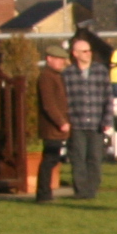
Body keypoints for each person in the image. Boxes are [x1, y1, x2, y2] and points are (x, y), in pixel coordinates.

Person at [62, 35, 112, 199]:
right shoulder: (68, 74)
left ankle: (91, 190)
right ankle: (81, 191)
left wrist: (107, 120)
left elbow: (108, 97)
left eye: (89, 51)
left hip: (97, 123)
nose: (88, 53)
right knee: (78, 159)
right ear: (75, 53)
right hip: (76, 123)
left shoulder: (100, 71)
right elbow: (64, 100)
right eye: (84, 51)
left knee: (95, 158)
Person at [33, 47, 72, 202]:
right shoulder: (46, 77)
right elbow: (48, 104)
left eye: (62, 59)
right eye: (58, 59)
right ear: (49, 59)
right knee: (49, 159)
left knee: (52, 159)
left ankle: (45, 193)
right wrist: (61, 122)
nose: (62, 62)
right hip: (52, 127)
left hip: (56, 126)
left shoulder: (55, 76)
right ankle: (43, 193)